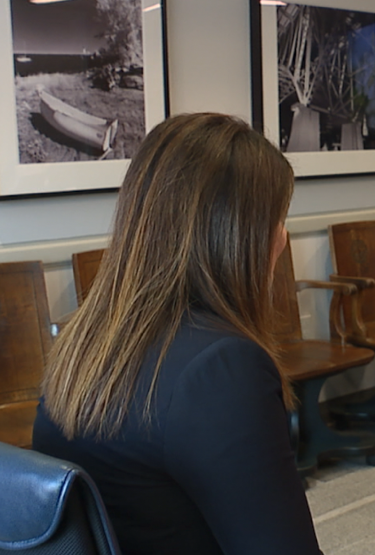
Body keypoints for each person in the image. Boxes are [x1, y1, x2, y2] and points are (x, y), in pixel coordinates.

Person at [33, 113, 322, 555]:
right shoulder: (222, 369)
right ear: (238, 236)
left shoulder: (85, 341)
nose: (282, 237)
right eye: (277, 220)